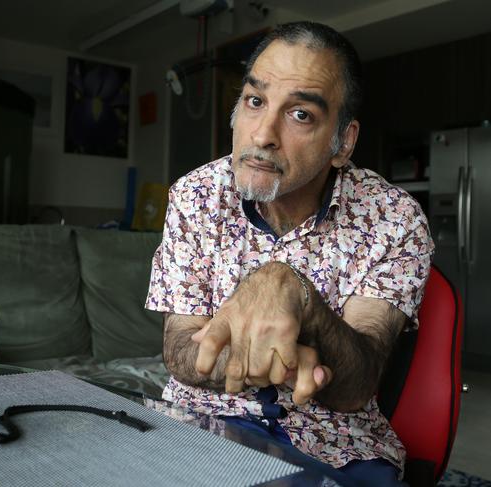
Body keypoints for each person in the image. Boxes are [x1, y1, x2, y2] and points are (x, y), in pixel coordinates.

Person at [146, 21, 433, 486]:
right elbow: (181, 351)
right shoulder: (195, 195)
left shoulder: (394, 219)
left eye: (300, 114)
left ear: (343, 142)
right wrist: (284, 359)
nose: (262, 134)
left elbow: (357, 386)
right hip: (202, 425)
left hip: (339, 444)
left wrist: (293, 291)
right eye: (255, 101)